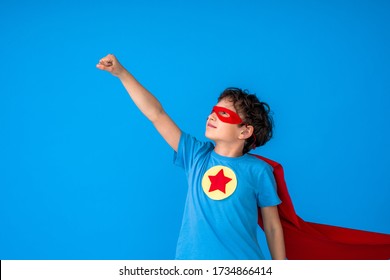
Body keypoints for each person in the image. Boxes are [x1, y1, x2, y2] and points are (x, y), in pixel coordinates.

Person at [96, 54, 286, 260]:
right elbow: (156, 114)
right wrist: (122, 74)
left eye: (223, 114)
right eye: (214, 110)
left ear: (244, 132)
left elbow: (272, 226)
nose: (211, 116)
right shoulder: (196, 155)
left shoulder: (259, 171)